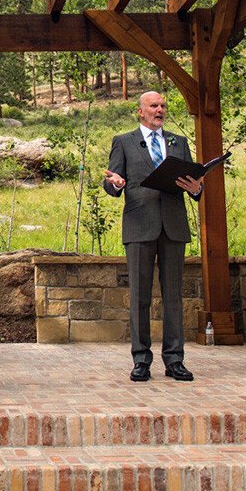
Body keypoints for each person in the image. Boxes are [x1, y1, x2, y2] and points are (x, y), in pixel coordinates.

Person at [102, 90, 203, 383]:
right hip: (139, 224)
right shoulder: (123, 142)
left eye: (163, 106)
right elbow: (111, 183)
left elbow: (194, 185)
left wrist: (196, 188)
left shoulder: (178, 142)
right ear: (140, 111)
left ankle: (174, 360)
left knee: (173, 296)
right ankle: (141, 359)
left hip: (173, 225)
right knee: (139, 296)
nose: (159, 110)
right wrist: (116, 185)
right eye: (154, 106)